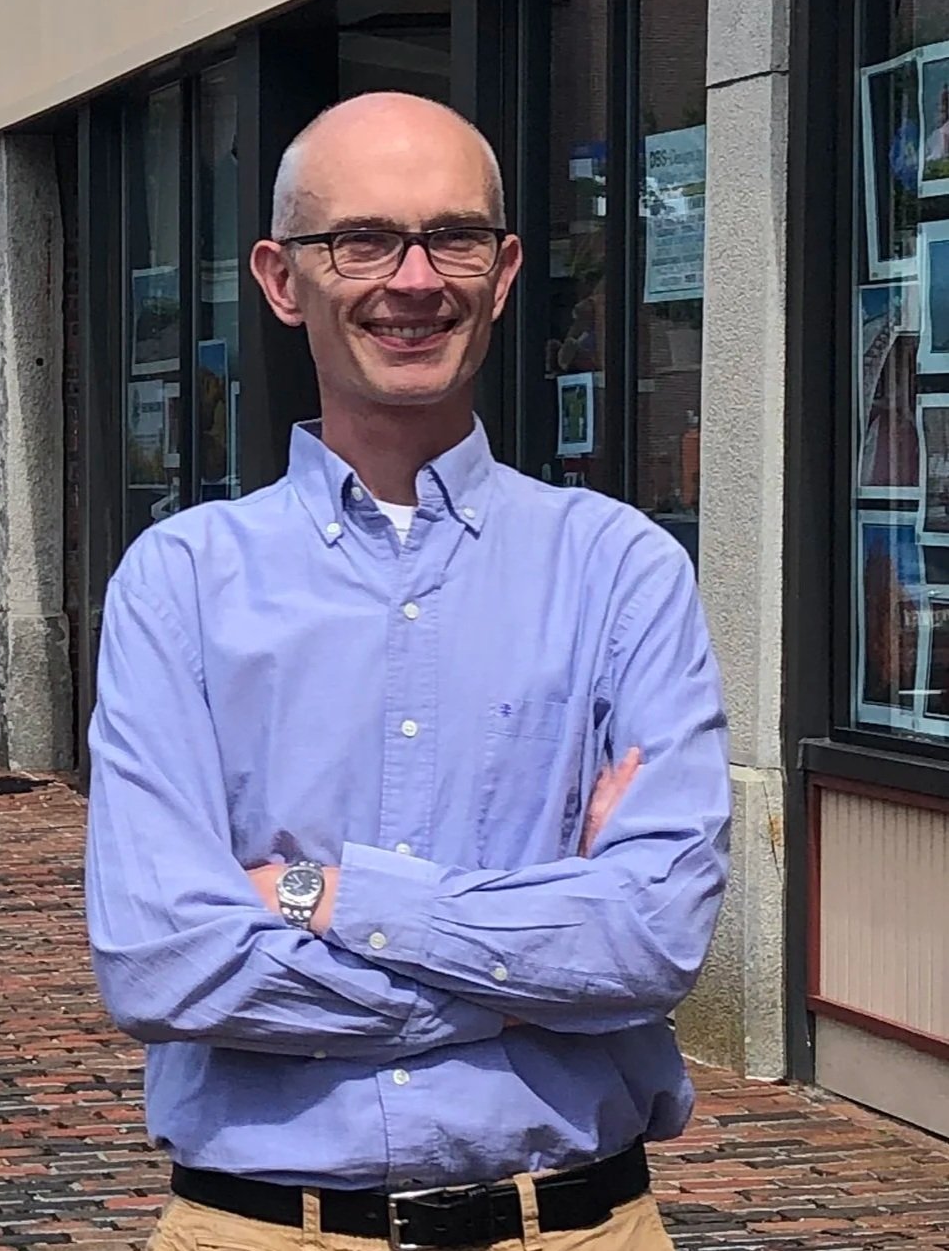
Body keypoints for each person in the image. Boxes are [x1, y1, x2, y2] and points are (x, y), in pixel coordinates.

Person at [85, 93, 729, 1251]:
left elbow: (650, 939)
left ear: (505, 266)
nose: (416, 277)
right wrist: (540, 957)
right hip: (261, 1228)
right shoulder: (178, 582)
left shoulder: (619, 568)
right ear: (283, 280)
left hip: (576, 1225)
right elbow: (165, 960)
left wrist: (314, 895)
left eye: (455, 236)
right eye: (364, 240)